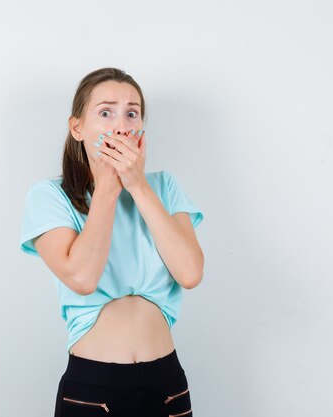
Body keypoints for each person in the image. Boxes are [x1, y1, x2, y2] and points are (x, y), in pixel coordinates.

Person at [19, 67, 204, 416]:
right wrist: (106, 188)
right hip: (94, 388)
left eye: (131, 113)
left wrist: (137, 185)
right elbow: (83, 278)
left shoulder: (163, 187)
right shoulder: (49, 196)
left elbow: (191, 273)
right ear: (78, 128)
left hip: (166, 384)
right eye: (106, 112)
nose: (121, 125)